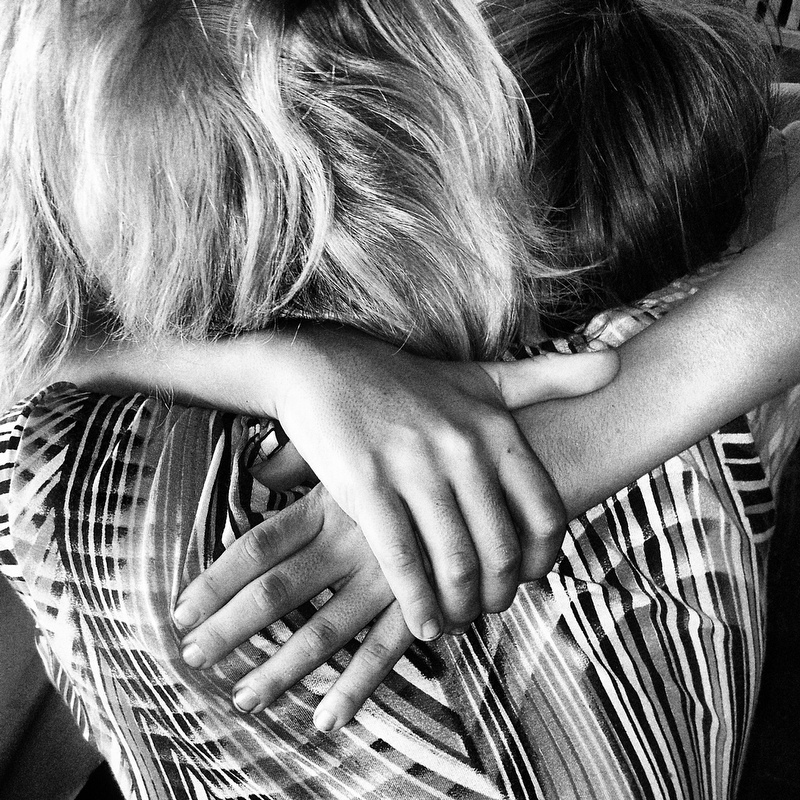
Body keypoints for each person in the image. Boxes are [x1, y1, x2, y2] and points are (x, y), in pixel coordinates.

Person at [1, 0, 798, 798]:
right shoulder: (681, 466)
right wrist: (563, 446)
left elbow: (36, 353)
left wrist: (284, 367)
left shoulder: (57, 465)